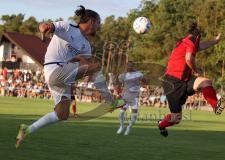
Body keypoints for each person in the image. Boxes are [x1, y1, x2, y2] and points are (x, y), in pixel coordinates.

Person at [15, 5, 124, 148]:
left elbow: (87, 67)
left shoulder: (86, 45)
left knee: (62, 114)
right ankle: (110, 101)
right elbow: (44, 26)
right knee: (96, 66)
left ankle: (27, 129)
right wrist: (44, 29)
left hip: (62, 75)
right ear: (91, 21)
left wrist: (89, 76)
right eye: (98, 23)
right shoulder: (68, 26)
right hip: (54, 70)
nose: (99, 26)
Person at [158, 22, 225, 137]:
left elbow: (200, 46)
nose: (199, 43)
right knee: (176, 118)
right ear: (198, 36)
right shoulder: (192, 40)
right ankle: (161, 125)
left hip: (184, 79)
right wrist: (195, 70)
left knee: (206, 82)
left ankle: (216, 106)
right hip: (172, 82)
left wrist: (215, 41)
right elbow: (189, 58)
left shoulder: (184, 42)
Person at [116, 61, 145, 135]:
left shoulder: (139, 74)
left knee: (134, 115)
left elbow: (144, 81)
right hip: (126, 96)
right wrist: (119, 92)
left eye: (130, 66)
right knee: (121, 112)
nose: (129, 67)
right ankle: (121, 126)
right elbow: (118, 84)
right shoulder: (123, 75)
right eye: (127, 66)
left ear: (133, 66)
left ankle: (129, 127)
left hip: (135, 97)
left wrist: (143, 82)